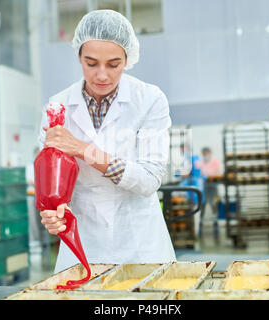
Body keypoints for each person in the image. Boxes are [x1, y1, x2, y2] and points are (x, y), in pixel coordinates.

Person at [38, 10, 176, 273]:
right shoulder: (57, 107)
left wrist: (84, 150)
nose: (102, 75)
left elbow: (149, 180)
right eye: (91, 63)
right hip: (82, 243)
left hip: (140, 243)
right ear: (78, 56)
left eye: (114, 64)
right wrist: (52, 213)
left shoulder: (149, 100)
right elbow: (52, 183)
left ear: (128, 60)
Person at [199, 147, 221, 238]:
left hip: (213, 186)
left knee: (214, 205)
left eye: (206, 154)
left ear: (210, 154)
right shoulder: (200, 163)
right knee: (202, 205)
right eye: (204, 154)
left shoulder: (215, 162)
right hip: (204, 187)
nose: (205, 156)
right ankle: (200, 225)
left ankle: (216, 224)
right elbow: (199, 174)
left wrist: (211, 176)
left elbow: (218, 173)